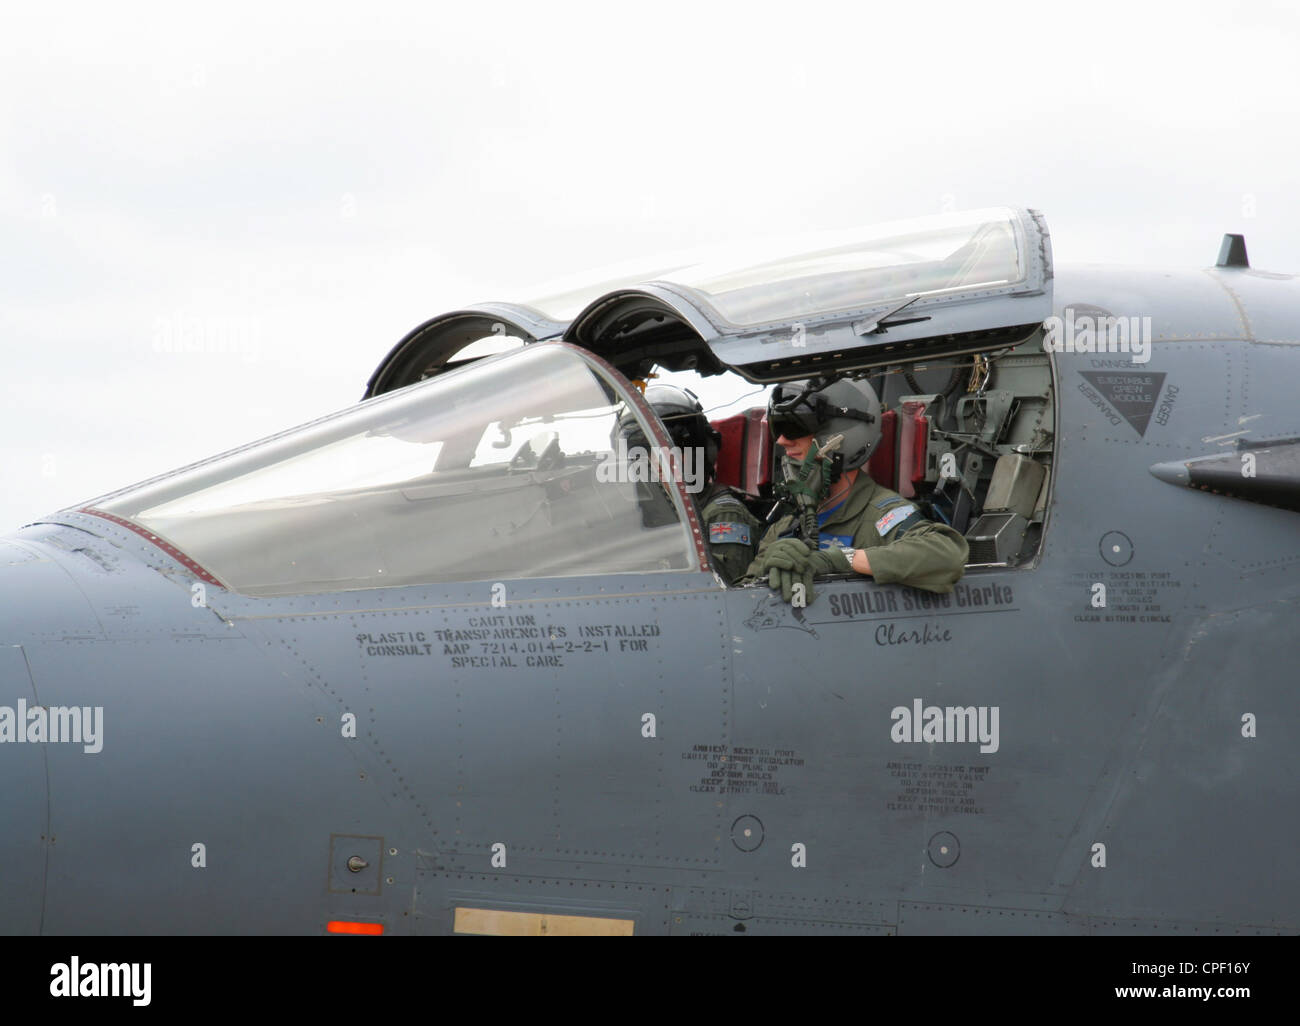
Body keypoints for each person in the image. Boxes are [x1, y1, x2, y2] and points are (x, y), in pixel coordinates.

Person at [744, 377, 968, 603]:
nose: (782, 440)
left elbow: (946, 554)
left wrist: (839, 560)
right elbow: (743, 600)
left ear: (842, 437)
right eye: (777, 428)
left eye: (794, 427)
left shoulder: (884, 515)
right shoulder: (784, 528)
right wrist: (767, 567)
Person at [627, 385, 762, 585]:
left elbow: (726, 584)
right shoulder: (652, 509)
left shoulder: (722, 512)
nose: (658, 460)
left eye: (673, 449)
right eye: (649, 450)